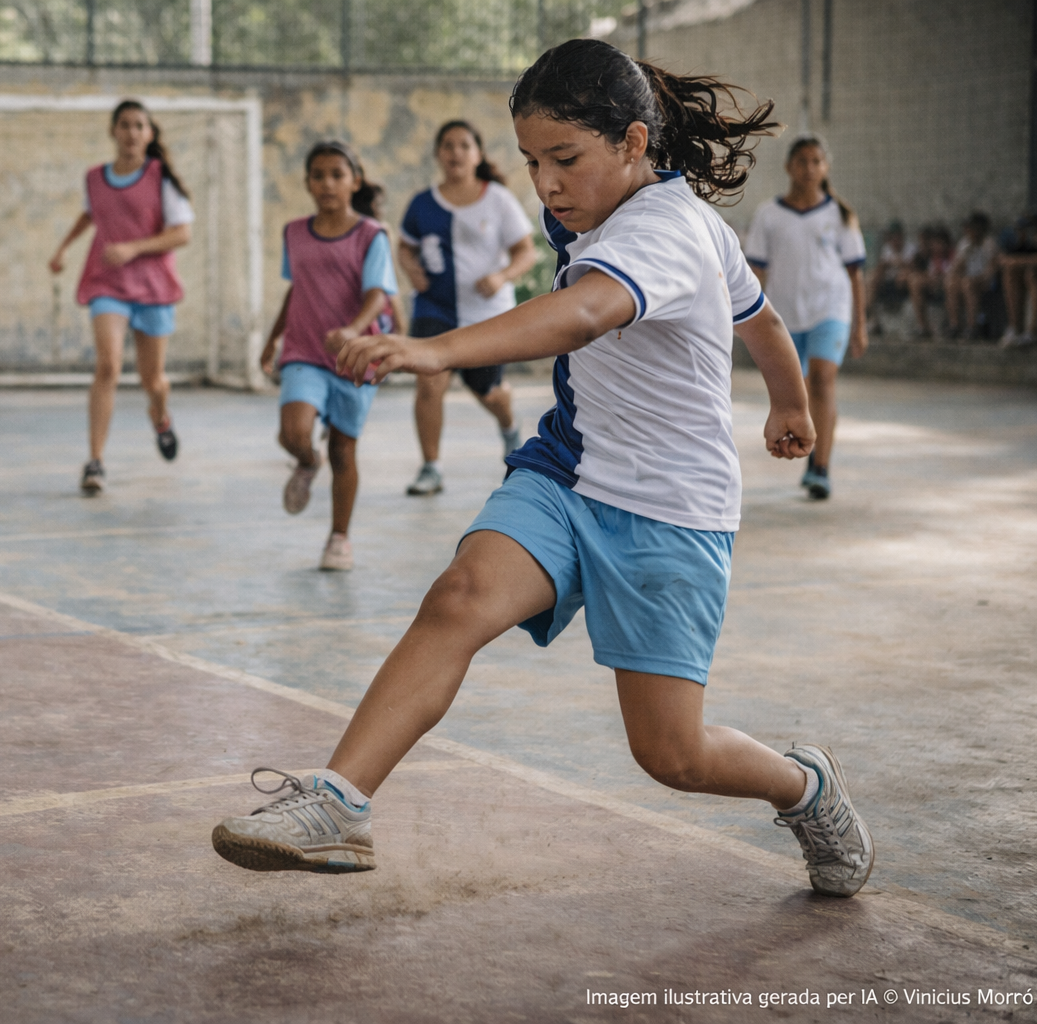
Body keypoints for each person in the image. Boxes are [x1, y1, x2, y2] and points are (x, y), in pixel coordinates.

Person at [212, 38, 874, 902]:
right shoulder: (605, 207)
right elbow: (761, 318)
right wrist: (788, 403)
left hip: (671, 507)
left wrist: (433, 349)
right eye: (531, 162)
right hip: (568, 469)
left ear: (634, 143)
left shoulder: (668, 228)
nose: (547, 185)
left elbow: (586, 313)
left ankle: (804, 787)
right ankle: (340, 804)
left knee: (672, 754)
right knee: (459, 597)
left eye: (565, 159)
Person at [259, 141, 398, 571]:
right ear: (307, 183)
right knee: (293, 431)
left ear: (354, 181)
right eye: (317, 175)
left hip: (356, 356)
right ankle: (306, 459)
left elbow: (378, 295)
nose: (327, 183)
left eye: (337, 174)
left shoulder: (371, 235)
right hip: (304, 349)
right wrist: (272, 338)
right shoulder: (294, 233)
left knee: (343, 449)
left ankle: (339, 538)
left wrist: (354, 330)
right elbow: (296, 288)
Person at [49, 100, 192, 495]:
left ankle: (160, 417)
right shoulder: (94, 178)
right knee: (108, 366)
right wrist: (63, 248)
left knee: (153, 380)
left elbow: (182, 233)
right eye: (124, 125)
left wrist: (133, 248)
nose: (131, 132)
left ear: (149, 134)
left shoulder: (161, 177)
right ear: (113, 131)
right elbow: (90, 214)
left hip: (153, 286)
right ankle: (95, 462)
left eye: (139, 125)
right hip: (107, 282)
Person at [397, 120, 538, 497]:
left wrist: (501, 276)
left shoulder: (498, 200)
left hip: (486, 314)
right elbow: (405, 247)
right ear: (437, 155)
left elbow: (526, 252)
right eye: (447, 145)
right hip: (434, 309)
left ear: (478, 154)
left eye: (464, 145)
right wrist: (412, 270)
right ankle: (431, 467)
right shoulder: (422, 204)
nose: (455, 152)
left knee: (488, 392)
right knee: (429, 383)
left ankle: (509, 427)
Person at [744, 135, 867, 501]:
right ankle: (812, 448)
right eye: (802, 161)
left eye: (816, 161)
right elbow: (755, 272)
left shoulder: (841, 215)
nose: (809, 168)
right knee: (799, 389)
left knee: (823, 381)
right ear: (788, 167)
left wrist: (860, 325)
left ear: (825, 167)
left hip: (830, 310)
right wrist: (747, 320)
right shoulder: (768, 214)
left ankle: (821, 468)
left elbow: (855, 273)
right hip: (783, 316)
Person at [946, 212, 1001, 341]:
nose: (968, 231)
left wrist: (976, 279)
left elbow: (991, 271)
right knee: (951, 283)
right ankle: (955, 325)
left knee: (968, 284)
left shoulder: (989, 243)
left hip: (987, 282)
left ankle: (972, 327)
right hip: (969, 279)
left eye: (971, 227)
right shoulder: (964, 243)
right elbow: (955, 269)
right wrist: (963, 257)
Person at [999, 213, 1037, 347]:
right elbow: (1003, 260)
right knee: (1010, 274)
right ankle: (1015, 327)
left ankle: (1033, 330)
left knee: (1032, 275)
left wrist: (1017, 261)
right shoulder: (1020, 244)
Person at [867, 220, 915, 336]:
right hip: (888, 282)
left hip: (904, 282)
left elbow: (913, 268)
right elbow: (881, 267)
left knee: (905, 277)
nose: (894, 240)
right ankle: (870, 316)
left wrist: (900, 264)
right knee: (871, 279)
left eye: (896, 236)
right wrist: (886, 265)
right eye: (892, 237)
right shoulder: (887, 248)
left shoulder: (910, 248)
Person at [908, 225, 954, 338]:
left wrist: (940, 278)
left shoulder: (952, 255)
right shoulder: (931, 257)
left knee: (950, 284)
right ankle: (922, 327)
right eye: (934, 243)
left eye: (939, 243)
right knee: (915, 281)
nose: (935, 246)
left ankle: (954, 326)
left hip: (950, 286)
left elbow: (953, 274)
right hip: (933, 286)